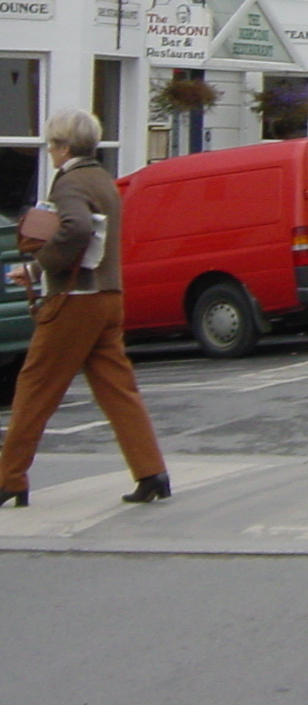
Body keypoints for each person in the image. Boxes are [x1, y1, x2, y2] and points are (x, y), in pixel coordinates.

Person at [1, 109, 170, 509]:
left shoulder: (70, 182)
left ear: (63, 146)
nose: (50, 152)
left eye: (51, 145)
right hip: (109, 297)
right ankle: (151, 472)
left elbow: (75, 228)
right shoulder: (102, 180)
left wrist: (37, 266)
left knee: (34, 388)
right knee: (118, 390)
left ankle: (9, 478)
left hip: (75, 300)